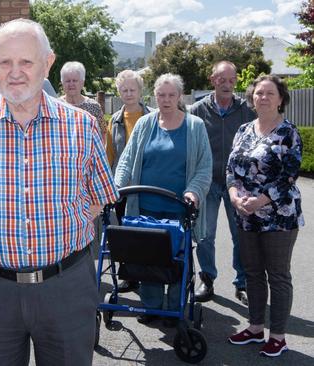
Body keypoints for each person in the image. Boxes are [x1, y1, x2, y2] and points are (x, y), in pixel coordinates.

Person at [0, 19, 119, 365]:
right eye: (4, 62)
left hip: (66, 286)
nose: (15, 72)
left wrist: (61, 226)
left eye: (26, 61)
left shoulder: (81, 124)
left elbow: (99, 195)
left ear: (47, 63)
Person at [114, 73, 212, 326]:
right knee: (148, 261)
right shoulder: (145, 123)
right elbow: (127, 159)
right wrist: (115, 187)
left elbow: (203, 168)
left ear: (180, 96)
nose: (166, 100)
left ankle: (174, 307)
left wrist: (193, 191)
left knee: (177, 262)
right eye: (161, 95)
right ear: (154, 96)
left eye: (171, 95)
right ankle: (152, 306)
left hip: (178, 210)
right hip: (145, 208)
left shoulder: (195, 126)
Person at [226, 75, 303, 358]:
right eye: (259, 93)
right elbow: (230, 169)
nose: (263, 98)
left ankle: (278, 336)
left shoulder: (288, 133)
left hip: (279, 217)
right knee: (253, 274)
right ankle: (255, 327)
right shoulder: (244, 130)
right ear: (252, 98)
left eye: (270, 93)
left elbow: (289, 176)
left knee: (278, 276)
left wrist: (261, 200)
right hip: (246, 215)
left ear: (281, 99)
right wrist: (234, 196)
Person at [189, 61, 256, 304]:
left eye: (231, 79)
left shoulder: (247, 110)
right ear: (212, 80)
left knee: (241, 235)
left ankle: (242, 283)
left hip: (238, 184)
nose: (226, 84)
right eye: (221, 79)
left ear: (236, 81)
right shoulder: (197, 110)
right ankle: (207, 279)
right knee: (205, 235)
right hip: (208, 183)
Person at [105, 69, 155, 293]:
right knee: (127, 231)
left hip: (148, 184)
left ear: (140, 91)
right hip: (124, 186)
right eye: (124, 90)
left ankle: (151, 275)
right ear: (118, 92)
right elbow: (109, 154)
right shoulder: (114, 120)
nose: (128, 93)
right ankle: (131, 275)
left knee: (148, 230)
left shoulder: (153, 117)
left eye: (132, 89)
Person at [59, 61, 107, 135]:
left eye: (75, 81)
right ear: (62, 83)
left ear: (82, 83)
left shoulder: (94, 106)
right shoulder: (56, 106)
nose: (71, 84)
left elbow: (103, 133)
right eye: (68, 81)